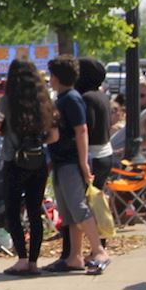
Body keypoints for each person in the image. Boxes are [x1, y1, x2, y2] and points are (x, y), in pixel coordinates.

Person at [44, 55, 111, 274]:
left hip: (71, 160)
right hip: (62, 160)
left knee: (79, 208)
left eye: (51, 75)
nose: (50, 79)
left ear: (57, 77)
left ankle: (99, 250)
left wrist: (83, 163)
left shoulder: (72, 99)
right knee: (69, 212)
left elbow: (81, 130)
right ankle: (75, 255)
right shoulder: (65, 98)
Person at [0, 60, 57, 275]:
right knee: (34, 211)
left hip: (14, 161)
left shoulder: (7, 102)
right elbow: (54, 135)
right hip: (38, 162)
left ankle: (21, 258)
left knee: (13, 211)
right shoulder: (45, 101)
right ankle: (33, 262)